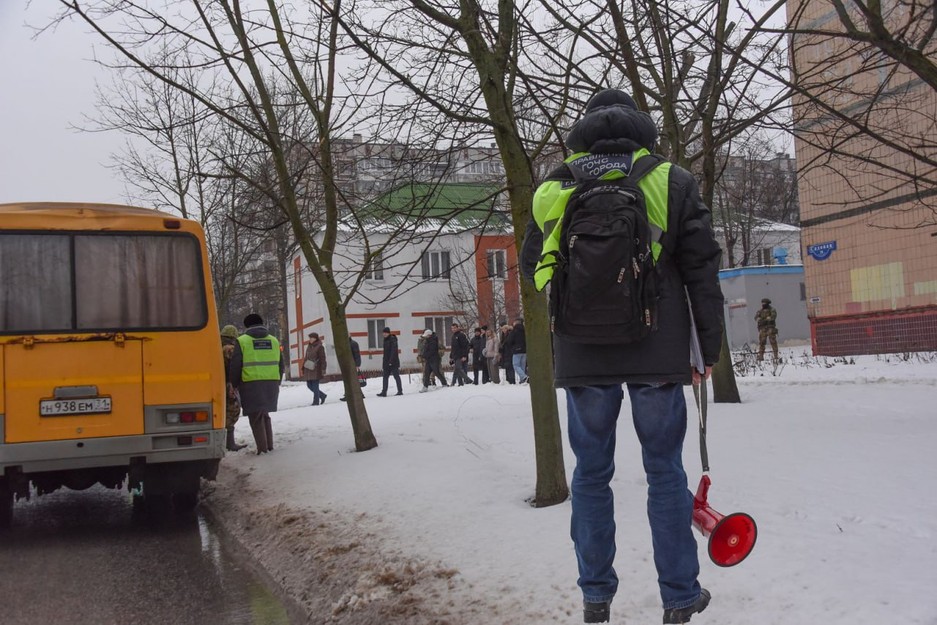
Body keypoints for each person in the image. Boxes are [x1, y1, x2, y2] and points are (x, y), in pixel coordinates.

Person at [522, 88, 724, 624]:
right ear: (641, 129)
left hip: (583, 352)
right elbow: (702, 269)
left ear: (585, 129)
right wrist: (709, 347)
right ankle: (680, 597)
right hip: (657, 352)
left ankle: (595, 596)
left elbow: (529, 263)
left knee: (590, 475)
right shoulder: (671, 179)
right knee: (665, 473)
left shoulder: (555, 183)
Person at [230, 313, 285, 455]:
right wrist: (276, 381)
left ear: (247, 325)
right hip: (271, 382)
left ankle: (262, 449)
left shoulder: (242, 341)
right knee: (265, 414)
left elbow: (236, 365)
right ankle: (269, 446)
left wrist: (233, 384)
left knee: (255, 416)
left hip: (250, 384)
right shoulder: (274, 340)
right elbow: (281, 364)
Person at [220, 325, 247, 452]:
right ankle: (230, 443)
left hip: (219, 383)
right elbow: (234, 367)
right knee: (232, 411)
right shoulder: (230, 349)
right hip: (228, 384)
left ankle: (225, 442)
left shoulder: (216, 345)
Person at [302, 332, 328, 405]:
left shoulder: (320, 347)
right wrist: (303, 367)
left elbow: (323, 358)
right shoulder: (309, 346)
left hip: (316, 369)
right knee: (309, 385)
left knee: (315, 385)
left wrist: (323, 369)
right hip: (308, 368)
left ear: (315, 338)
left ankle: (316, 401)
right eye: (309, 338)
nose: (310, 339)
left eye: (311, 338)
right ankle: (322, 395)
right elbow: (306, 357)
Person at [377, 327, 403, 396]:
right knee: (385, 377)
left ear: (388, 333)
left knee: (396, 376)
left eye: (386, 333)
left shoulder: (393, 340)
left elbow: (393, 351)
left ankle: (400, 391)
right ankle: (384, 392)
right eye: (383, 333)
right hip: (386, 362)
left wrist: (391, 361)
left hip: (393, 362)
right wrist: (385, 361)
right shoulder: (385, 340)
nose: (384, 334)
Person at [448, 322, 472, 386]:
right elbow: (453, 347)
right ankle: (459, 383)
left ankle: (467, 379)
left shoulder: (461, 335)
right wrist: (451, 356)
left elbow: (465, 346)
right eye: (452, 328)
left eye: (454, 328)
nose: (453, 329)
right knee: (457, 369)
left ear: (457, 328)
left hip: (460, 355)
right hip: (455, 355)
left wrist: (464, 355)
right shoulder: (453, 336)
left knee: (458, 368)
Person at [340, 335, 363, 401]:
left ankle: (351, 395)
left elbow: (357, 355)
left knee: (352, 380)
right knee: (349, 380)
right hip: (347, 364)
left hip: (352, 365)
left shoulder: (353, 344)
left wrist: (357, 365)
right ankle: (356, 394)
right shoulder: (345, 344)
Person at [509, 317, 528, 383]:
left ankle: (524, 376)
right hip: (524, 350)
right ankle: (522, 380)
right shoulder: (525, 330)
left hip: (516, 350)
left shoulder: (514, 330)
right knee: (522, 365)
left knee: (516, 365)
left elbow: (510, 340)